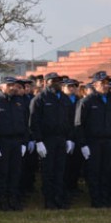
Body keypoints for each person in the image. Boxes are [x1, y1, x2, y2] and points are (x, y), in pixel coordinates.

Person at [74, 72, 111, 208]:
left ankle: (105, 199)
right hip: (92, 142)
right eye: (102, 83)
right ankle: (96, 199)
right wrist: (83, 144)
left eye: (107, 83)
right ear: (95, 85)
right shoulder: (87, 101)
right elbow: (79, 124)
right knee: (94, 172)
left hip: (109, 141)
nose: (105, 86)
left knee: (107, 171)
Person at [29, 73, 76, 209]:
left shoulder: (65, 99)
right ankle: (49, 200)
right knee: (48, 172)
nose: (57, 83)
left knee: (60, 171)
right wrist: (38, 141)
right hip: (46, 140)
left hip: (61, 139)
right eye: (53, 81)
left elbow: (70, 120)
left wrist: (69, 138)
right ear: (46, 82)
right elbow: (34, 122)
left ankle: (59, 198)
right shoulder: (40, 99)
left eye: (59, 81)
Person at [0, 77, 29, 211]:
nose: (13, 87)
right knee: (2, 173)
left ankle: (13, 199)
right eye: (9, 85)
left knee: (15, 173)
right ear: (2, 87)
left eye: (14, 85)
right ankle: (3, 201)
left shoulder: (20, 103)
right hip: (1, 142)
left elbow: (26, 124)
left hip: (16, 142)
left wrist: (24, 143)